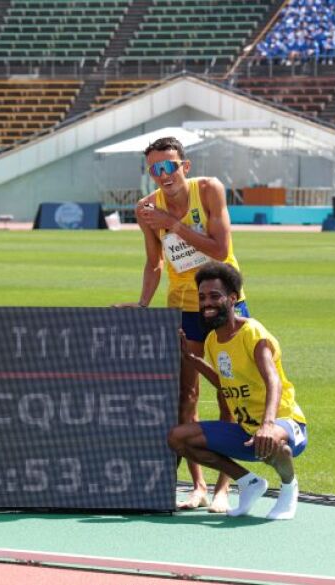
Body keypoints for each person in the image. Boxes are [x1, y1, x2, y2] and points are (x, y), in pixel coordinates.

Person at [118, 136, 250, 513]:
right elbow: (154, 263)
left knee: (230, 391)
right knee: (185, 396)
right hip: (182, 308)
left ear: (184, 167)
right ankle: (198, 486)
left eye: (169, 166)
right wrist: (143, 304)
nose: (163, 175)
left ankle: (227, 488)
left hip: (224, 304)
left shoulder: (208, 190)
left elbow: (220, 251)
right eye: (154, 169)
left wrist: (171, 223)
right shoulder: (146, 209)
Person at [168, 262, 307, 520]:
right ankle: (248, 482)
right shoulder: (212, 340)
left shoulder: (252, 332)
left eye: (214, 296)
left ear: (232, 299)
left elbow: (272, 381)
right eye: (202, 297)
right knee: (178, 437)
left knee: (276, 444)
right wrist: (194, 361)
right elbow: (226, 384)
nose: (207, 303)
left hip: (286, 424)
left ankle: (289, 487)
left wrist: (268, 424)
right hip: (247, 432)